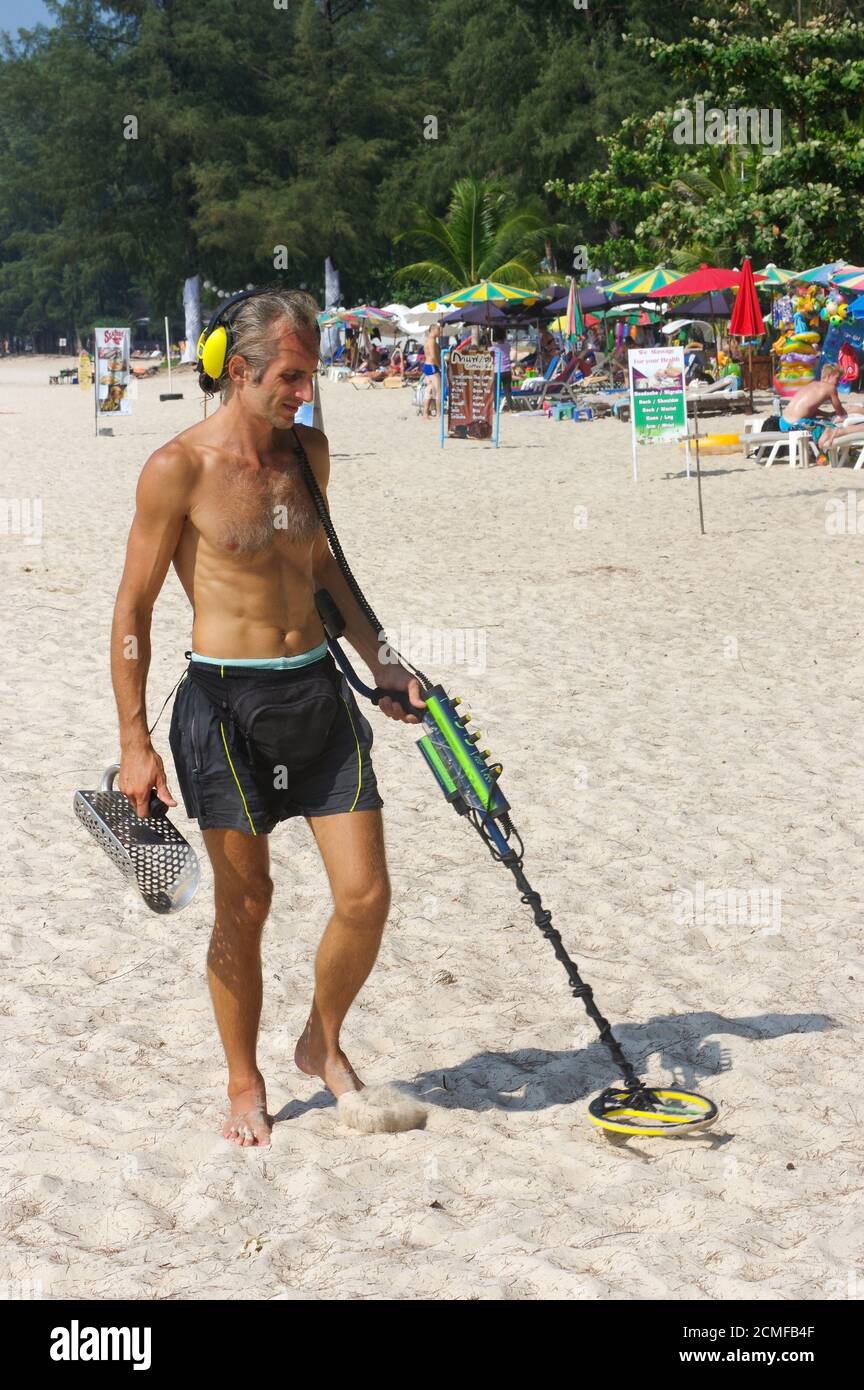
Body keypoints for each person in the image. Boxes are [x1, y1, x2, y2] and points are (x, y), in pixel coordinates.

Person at [110, 289, 427, 1147]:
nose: (303, 394)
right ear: (240, 371)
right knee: (245, 907)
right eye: (291, 377)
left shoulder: (308, 454)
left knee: (365, 896)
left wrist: (382, 659)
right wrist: (135, 746)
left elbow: (323, 570)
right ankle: (243, 1078)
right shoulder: (179, 468)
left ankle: (320, 1041)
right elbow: (132, 613)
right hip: (223, 708)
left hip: (318, 695)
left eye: (310, 377)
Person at [780, 363, 853, 461]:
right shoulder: (830, 388)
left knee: (820, 420)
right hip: (795, 424)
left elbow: (808, 408)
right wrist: (849, 412)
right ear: (828, 376)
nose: (839, 382)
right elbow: (841, 412)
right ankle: (828, 455)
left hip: (783, 422)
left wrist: (827, 414)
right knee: (832, 428)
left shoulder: (812, 384)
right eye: (837, 379)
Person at [422, 322, 440, 419]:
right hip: (432, 366)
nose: (440, 332)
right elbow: (433, 357)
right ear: (433, 330)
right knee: (438, 391)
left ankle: (425, 413)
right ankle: (438, 413)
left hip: (426, 366)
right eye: (438, 330)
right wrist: (440, 366)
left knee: (428, 390)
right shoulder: (432, 341)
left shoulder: (428, 341)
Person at [491, 326, 513, 409]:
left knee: (496, 390)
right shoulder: (507, 345)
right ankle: (511, 407)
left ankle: (496, 407)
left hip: (498, 371)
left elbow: (488, 351)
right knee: (508, 390)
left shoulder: (494, 347)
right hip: (507, 370)